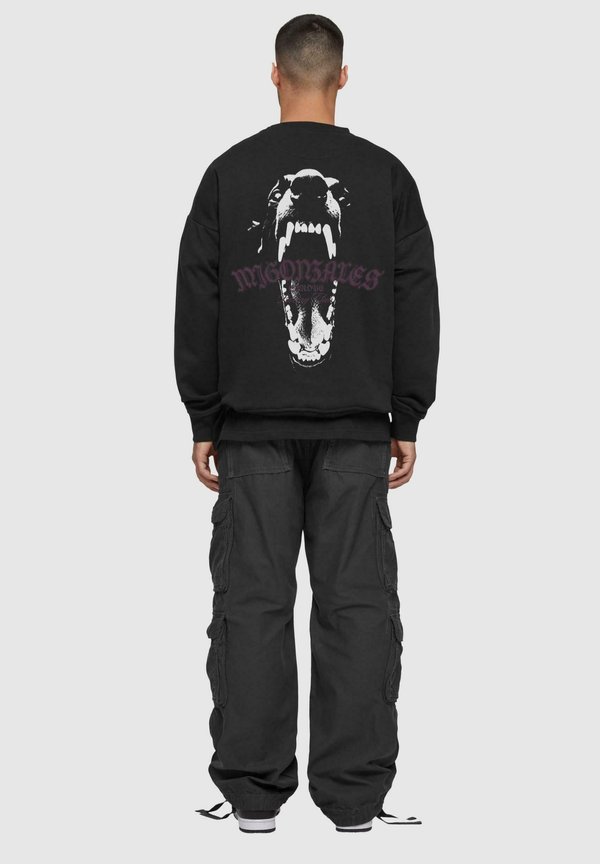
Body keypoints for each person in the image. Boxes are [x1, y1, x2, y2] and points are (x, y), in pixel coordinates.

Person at [174, 13, 440, 834]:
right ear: (343, 77)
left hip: (251, 426)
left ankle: (253, 803)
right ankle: (354, 807)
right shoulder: (386, 177)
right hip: (357, 426)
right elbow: (415, 295)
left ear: (275, 74)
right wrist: (407, 412)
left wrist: (203, 413)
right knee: (357, 607)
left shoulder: (229, 174)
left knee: (251, 606)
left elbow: (198, 295)